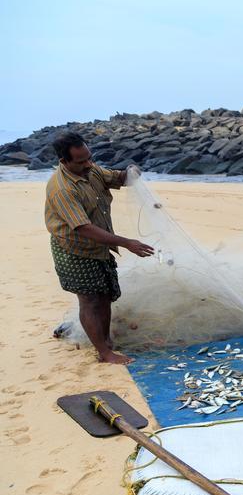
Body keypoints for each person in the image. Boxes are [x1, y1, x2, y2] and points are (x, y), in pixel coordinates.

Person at [45, 132, 154, 364]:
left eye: (89, 158)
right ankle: (104, 353)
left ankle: (106, 342)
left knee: (104, 295)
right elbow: (83, 227)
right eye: (81, 161)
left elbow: (118, 177)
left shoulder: (91, 169)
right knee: (89, 300)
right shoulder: (62, 188)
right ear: (64, 161)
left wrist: (132, 171)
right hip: (74, 249)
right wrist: (126, 242)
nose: (88, 165)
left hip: (100, 247)